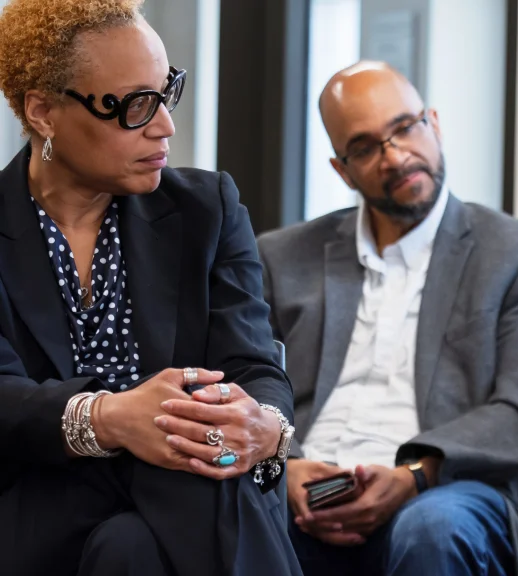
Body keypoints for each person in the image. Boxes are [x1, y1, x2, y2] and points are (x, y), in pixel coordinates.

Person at [0, 1, 301, 574]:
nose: (164, 125)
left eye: (167, 93)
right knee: (200, 485)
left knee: (131, 548)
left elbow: (254, 364)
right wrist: (108, 418)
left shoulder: (207, 208)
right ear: (43, 112)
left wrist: (263, 423)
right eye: (134, 105)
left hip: (169, 504)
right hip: (36, 498)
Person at [257, 61, 518, 576]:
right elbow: (247, 383)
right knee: (232, 511)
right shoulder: (281, 258)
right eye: (365, 147)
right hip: (309, 488)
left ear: (433, 122)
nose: (395, 156)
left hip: (451, 490)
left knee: (431, 526)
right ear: (341, 170)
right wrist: (285, 465)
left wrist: (416, 473)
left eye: (405, 127)